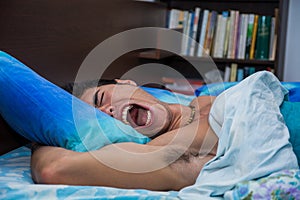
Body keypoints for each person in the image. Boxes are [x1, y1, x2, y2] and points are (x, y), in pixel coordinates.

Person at [31, 78, 219, 191]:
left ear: (127, 83)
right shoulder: (171, 150)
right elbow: (54, 169)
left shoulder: (202, 100)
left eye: (100, 98)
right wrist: (42, 136)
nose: (107, 112)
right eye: (98, 119)